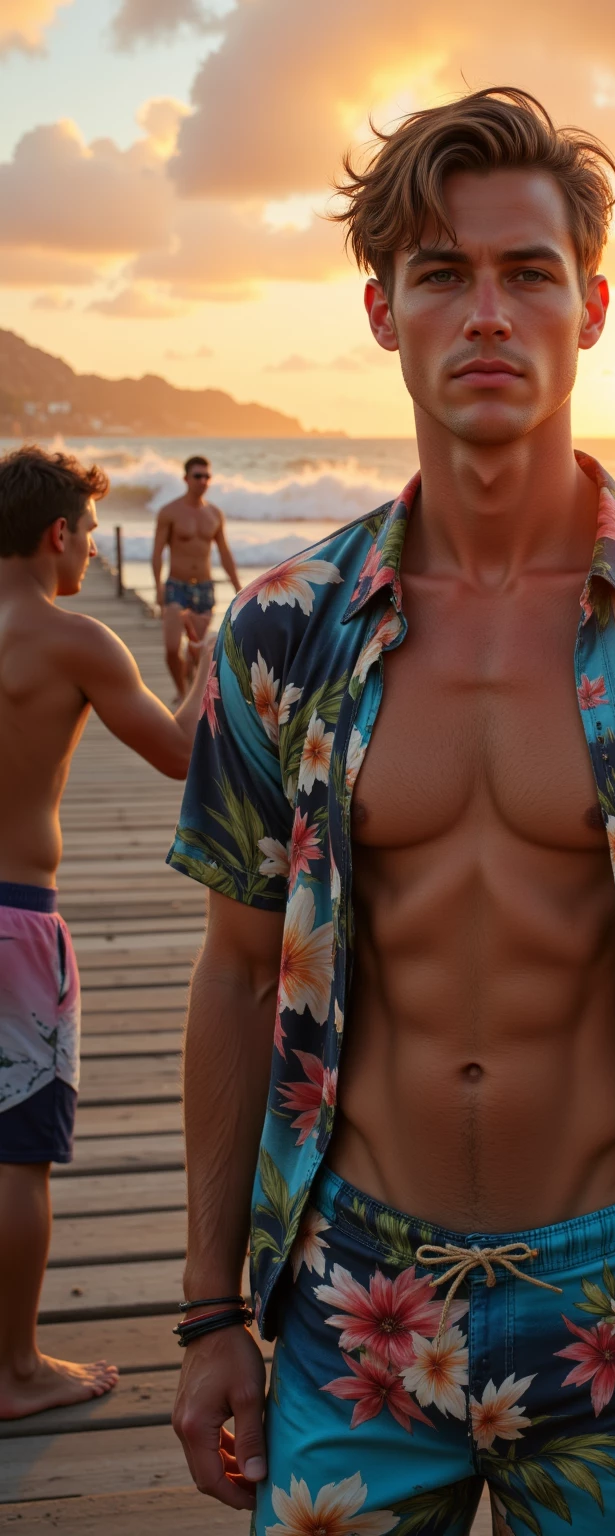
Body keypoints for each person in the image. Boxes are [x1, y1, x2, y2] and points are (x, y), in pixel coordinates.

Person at [169, 88, 615, 1533]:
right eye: (442, 274)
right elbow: (232, 974)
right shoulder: (283, 637)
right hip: (355, 1300)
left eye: (527, 272)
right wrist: (208, 1311)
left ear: (590, 307)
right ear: (380, 311)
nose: (488, 312)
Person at [0, 445, 214, 1420]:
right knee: (17, 1151)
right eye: (85, 530)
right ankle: (12, 1370)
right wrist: (211, 666)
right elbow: (177, 754)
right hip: (16, 920)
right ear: (58, 535)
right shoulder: (76, 639)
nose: (90, 545)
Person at [152, 455, 241, 701]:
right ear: (186, 479)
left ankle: (191, 691)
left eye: (207, 476)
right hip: (175, 587)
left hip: (204, 588)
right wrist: (157, 586)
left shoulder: (214, 514)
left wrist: (239, 588)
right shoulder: (169, 512)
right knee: (171, 648)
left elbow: (224, 553)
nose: (203, 481)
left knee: (196, 651)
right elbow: (157, 552)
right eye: (197, 476)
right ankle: (182, 693)